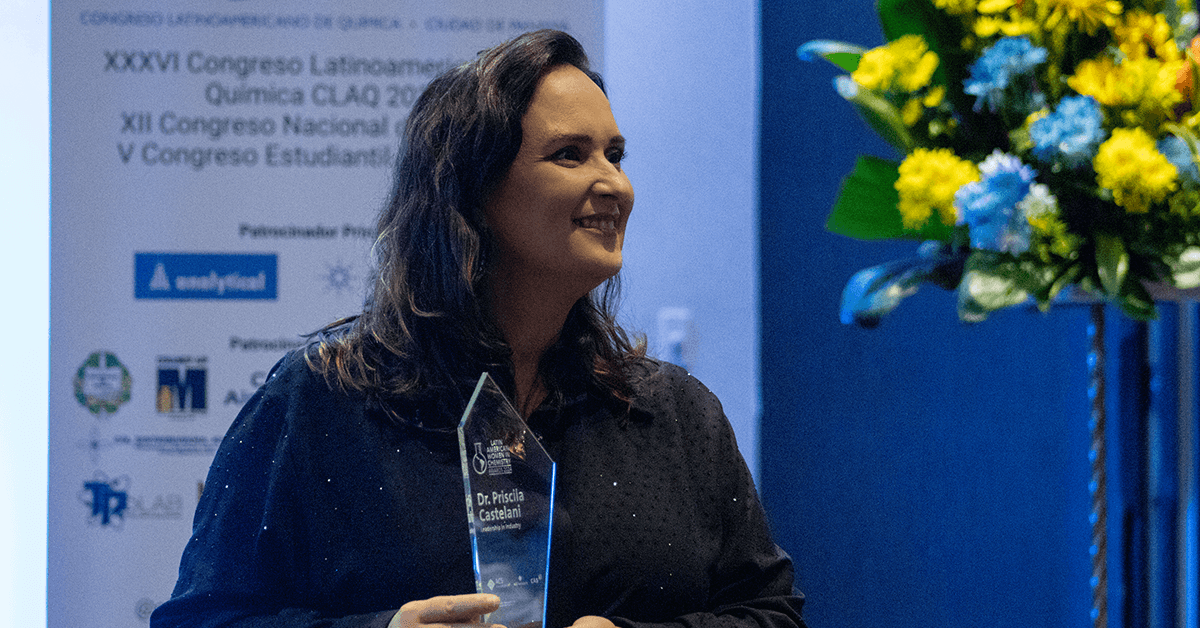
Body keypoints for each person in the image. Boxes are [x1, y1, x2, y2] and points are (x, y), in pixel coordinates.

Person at [150, 29, 807, 628]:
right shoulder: (320, 403)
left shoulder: (674, 416)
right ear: (474, 193)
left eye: (615, 154)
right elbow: (199, 621)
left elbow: (775, 615)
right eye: (571, 155)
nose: (615, 184)